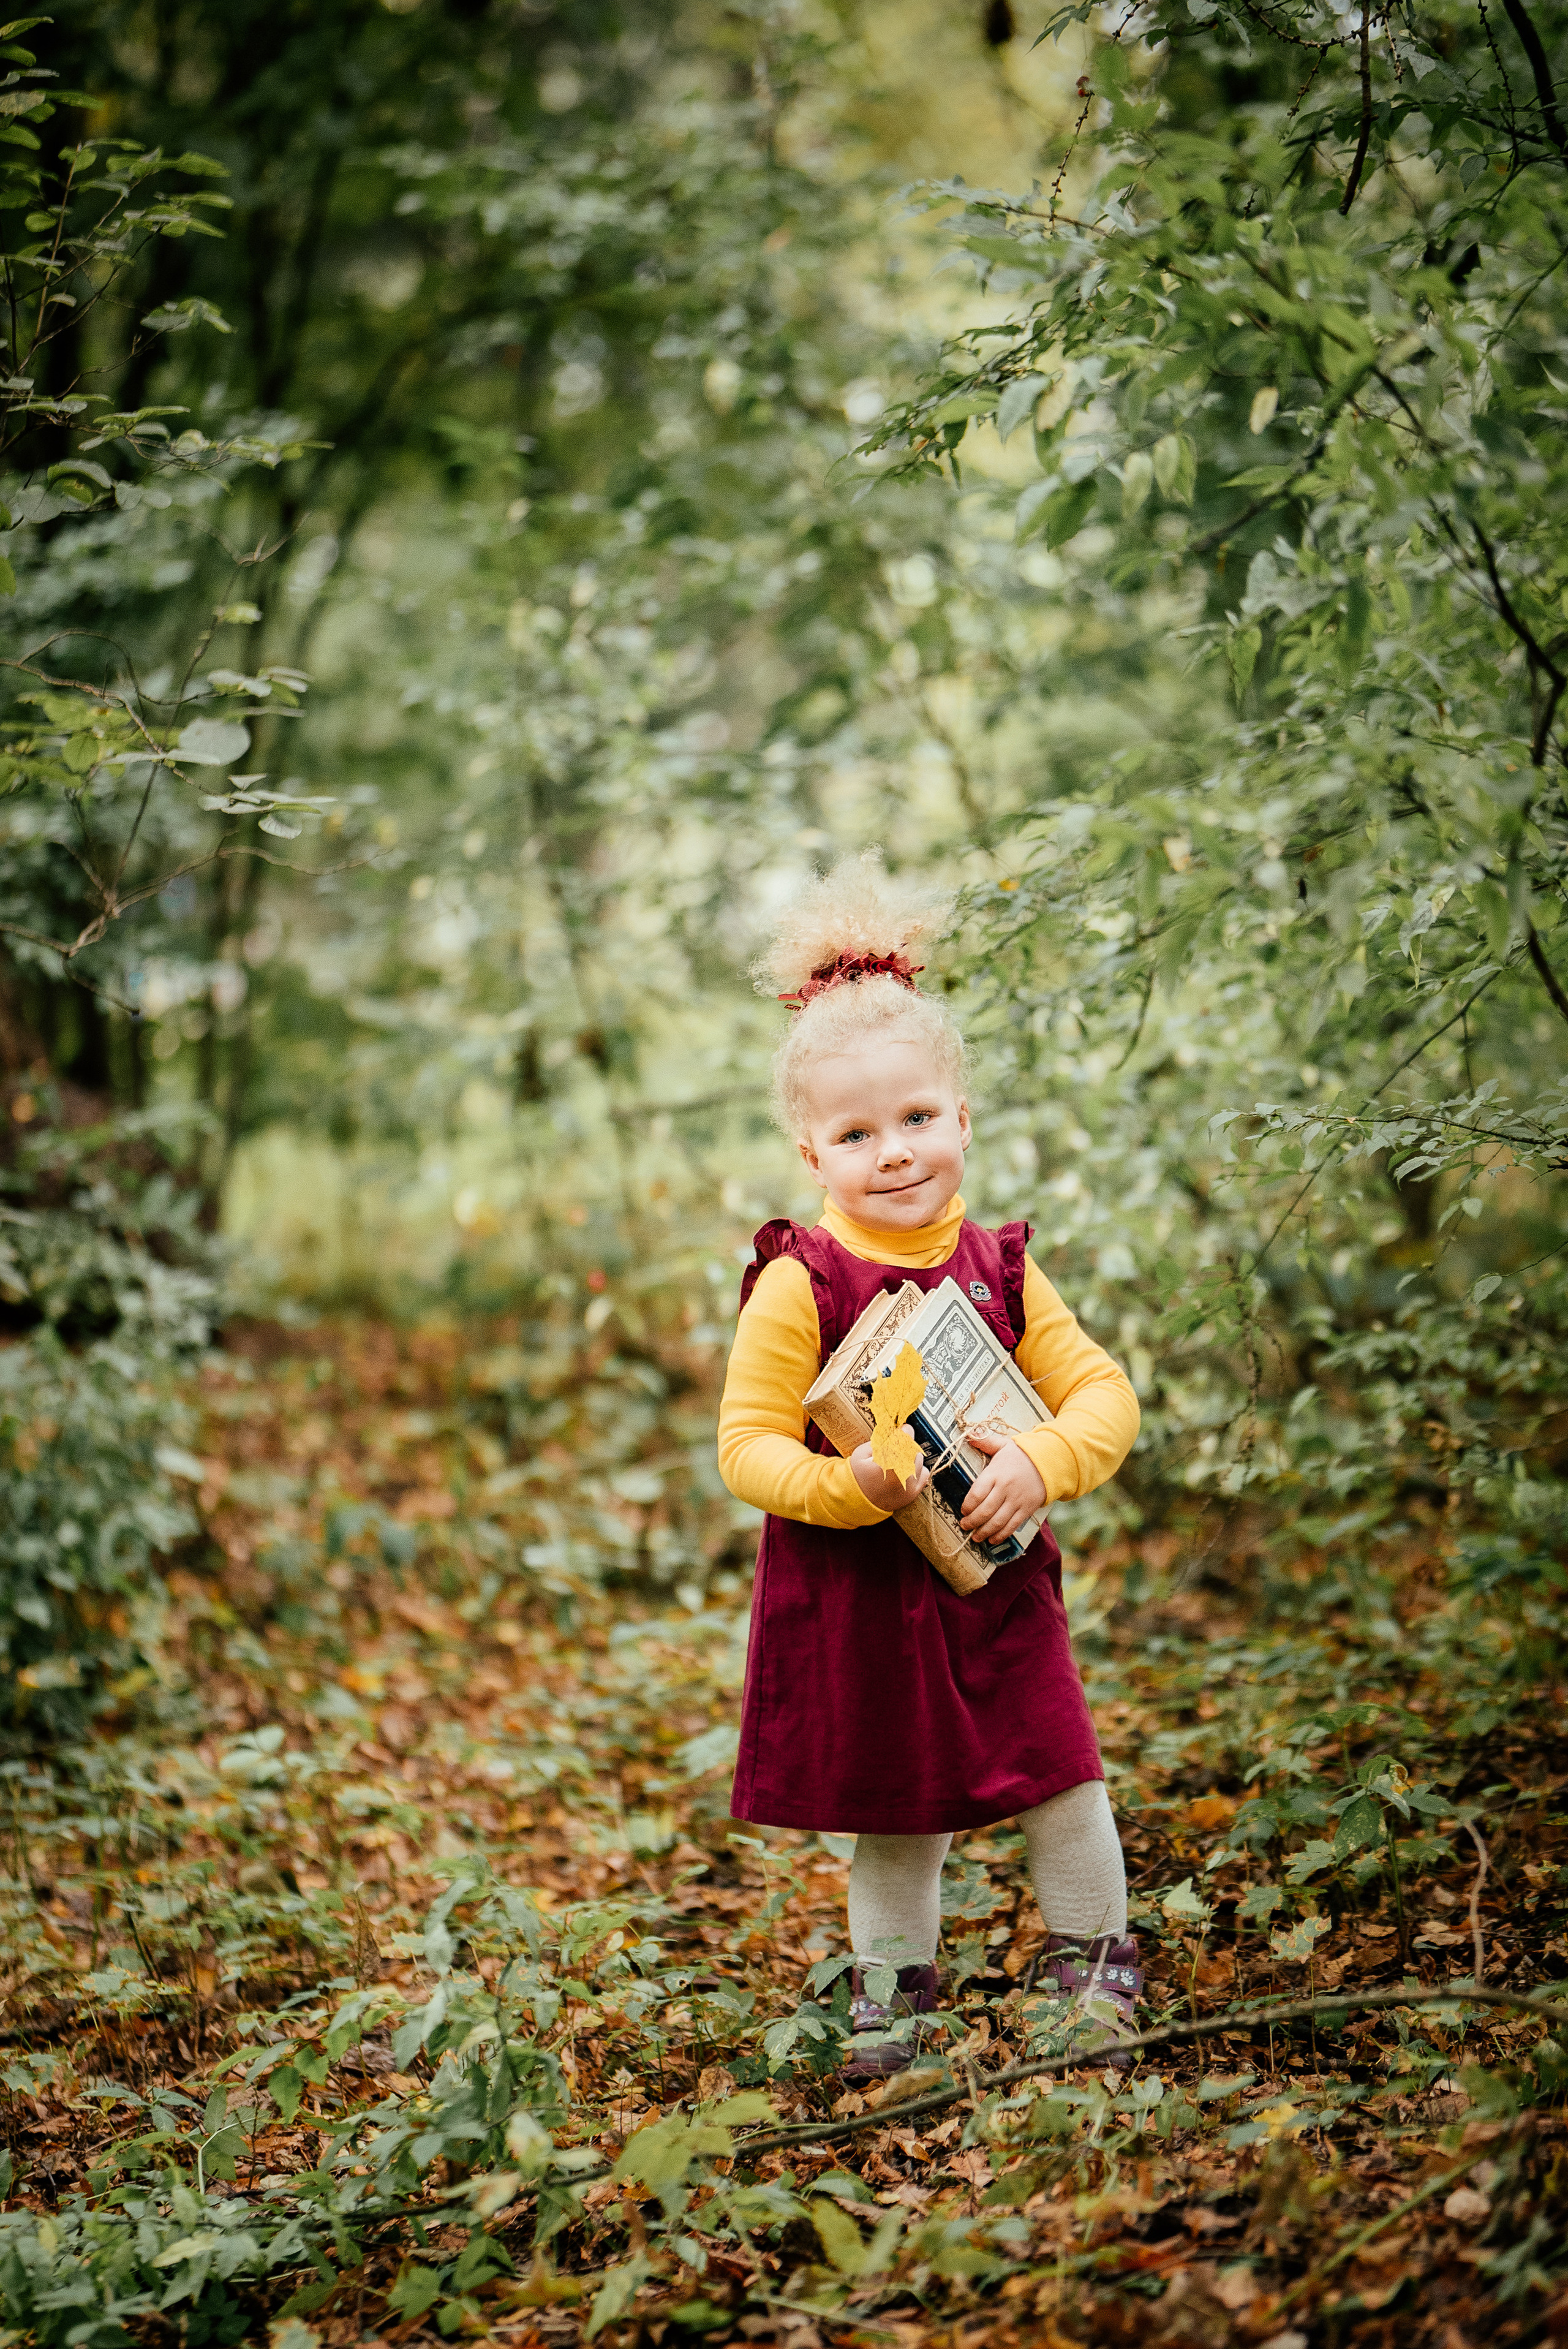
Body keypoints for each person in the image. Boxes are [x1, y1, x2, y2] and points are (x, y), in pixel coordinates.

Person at [716, 852, 1143, 2079]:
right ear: (812, 1154)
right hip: (862, 1598)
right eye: (856, 1133)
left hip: (997, 1583)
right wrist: (843, 1488)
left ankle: (1093, 1977)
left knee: (1062, 1776)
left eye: (915, 1119)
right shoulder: (801, 1282)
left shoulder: (1002, 1271)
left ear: (961, 1118)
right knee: (897, 1814)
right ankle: (891, 2005)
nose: (894, 1152)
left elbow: (1105, 1395)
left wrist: (1047, 1460)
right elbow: (745, 1446)